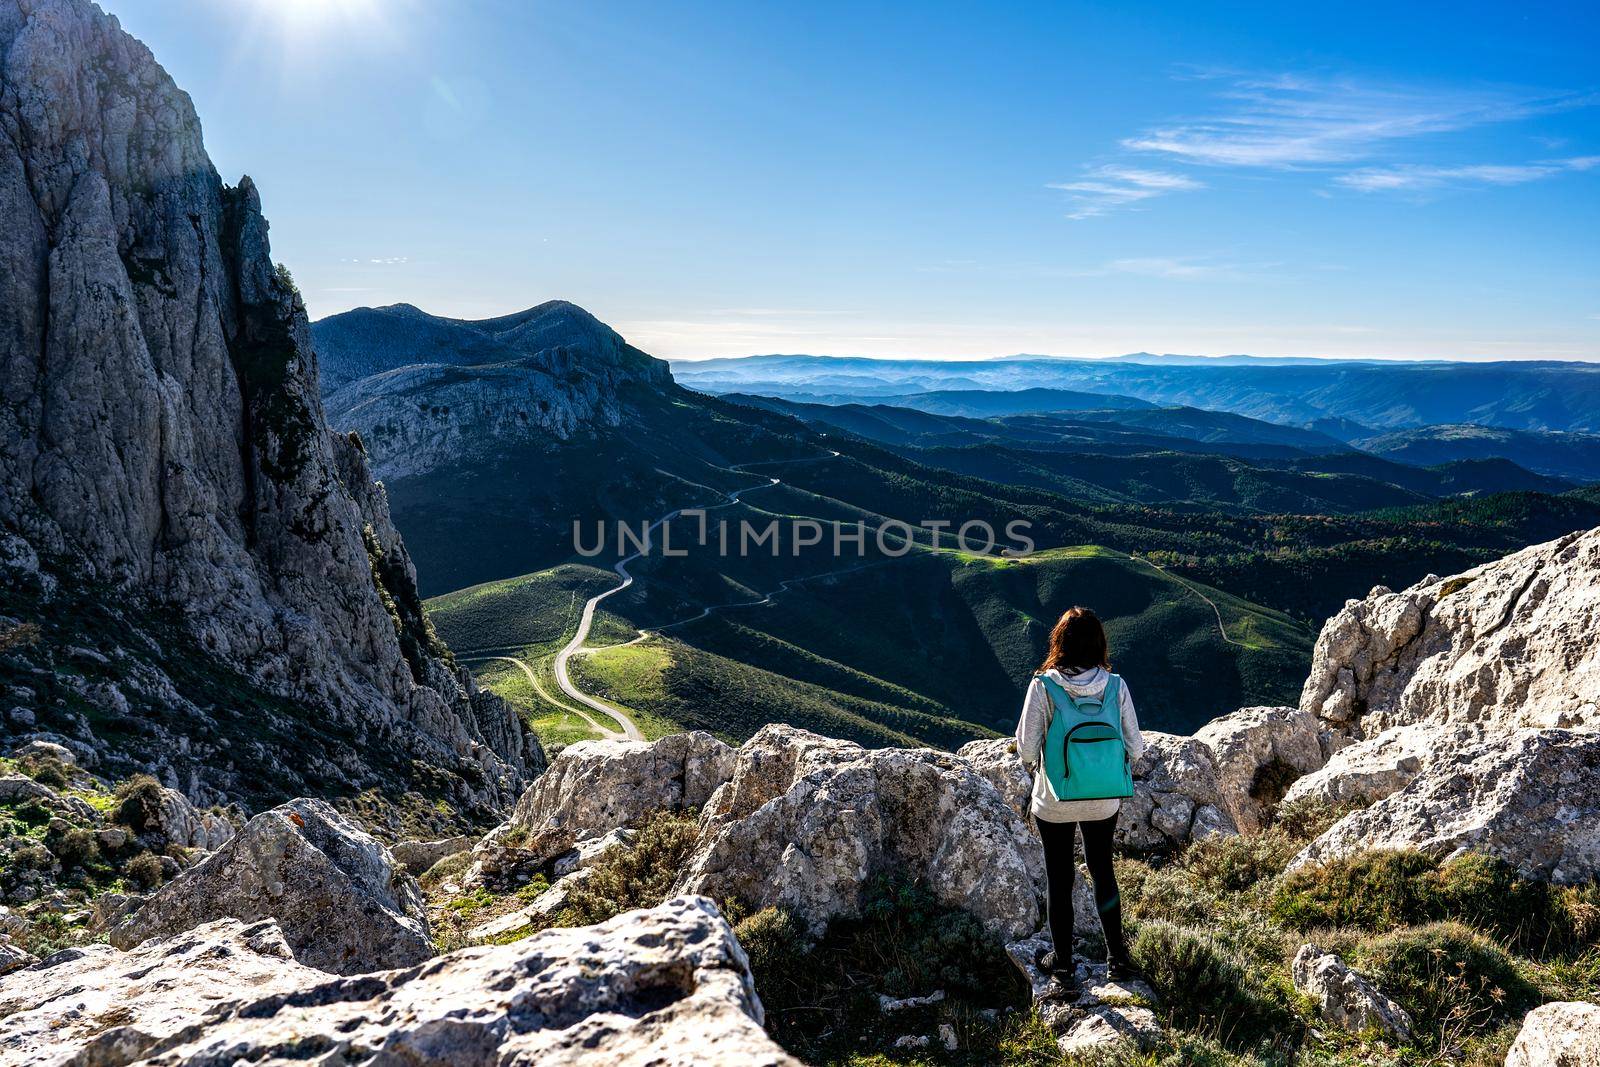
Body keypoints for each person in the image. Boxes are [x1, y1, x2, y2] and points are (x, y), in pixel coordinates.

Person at [1015, 605, 1145, 991]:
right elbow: (1135, 747)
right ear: (1099, 644)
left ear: (1060, 643)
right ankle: (1118, 959)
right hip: (1104, 798)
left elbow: (1025, 746)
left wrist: (1039, 766)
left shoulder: (1044, 686)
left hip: (1055, 797)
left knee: (1060, 877)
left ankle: (1063, 966)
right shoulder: (1116, 686)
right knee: (1102, 870)